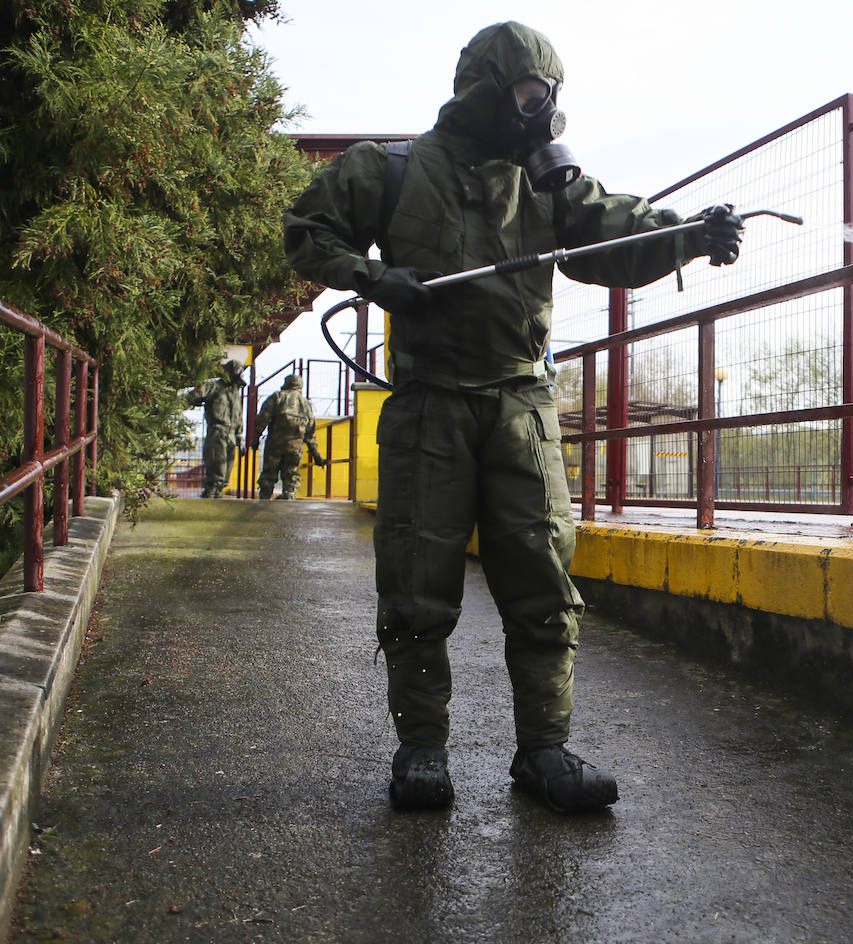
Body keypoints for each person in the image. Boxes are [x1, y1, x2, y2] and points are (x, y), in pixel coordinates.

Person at [283, 20, 743, 814]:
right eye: (529, 95)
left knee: (542, 579)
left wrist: (688, 236)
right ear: (487, 92)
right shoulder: (390, 170)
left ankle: (544, 751)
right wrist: (373, 277)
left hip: (521, 405)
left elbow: (612, 232)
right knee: (417, 584)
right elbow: (307, 230)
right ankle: (421, 751)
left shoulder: (547, 181)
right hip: (428, 402)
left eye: (549, 97)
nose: (541, 113)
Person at [253, 374, 326, 500]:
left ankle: (264, 501)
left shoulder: (277, 397)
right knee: (291, 477)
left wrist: (255, 438)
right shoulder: (306, 404)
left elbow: (262, 419)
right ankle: (289, 500)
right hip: (295, 447)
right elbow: (310, 433)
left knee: (268, 476)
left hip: (275, 445)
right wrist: (316, 454)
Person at [188, 359, 246, 499]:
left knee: (225, 475)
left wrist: (240, 437)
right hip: (217, 432)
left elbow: (238, 416)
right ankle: (210, 496)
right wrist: (197, 399)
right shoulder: (214, 386)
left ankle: (218, 494)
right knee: (216, 471)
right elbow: (192, 396)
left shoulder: (235, 393)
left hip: (231, 435)